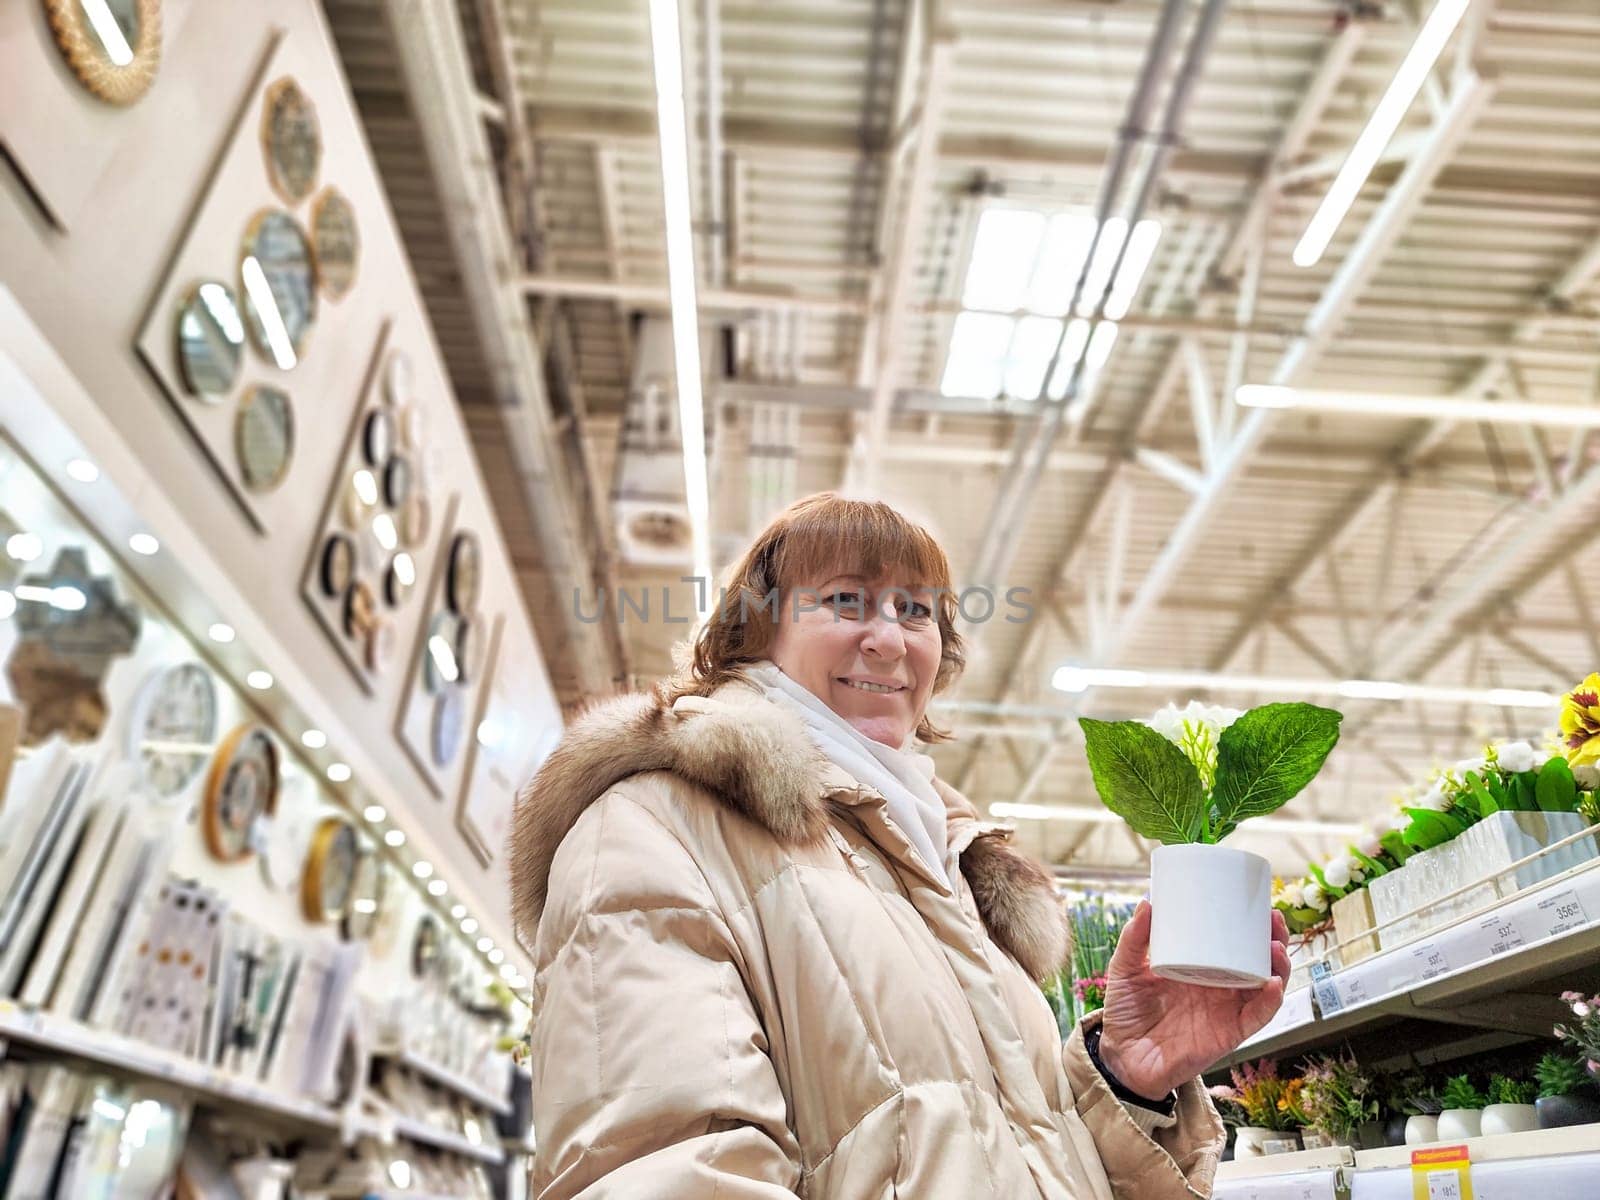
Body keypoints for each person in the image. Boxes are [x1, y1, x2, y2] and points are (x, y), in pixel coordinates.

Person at [511, 492, 1290, 1199]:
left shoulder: (952, 870)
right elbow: (663, 1169)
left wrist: (1130, 1079)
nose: (887, 640)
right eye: (846, 600)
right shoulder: (653, 829)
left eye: (916, 611)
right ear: (757, 632)